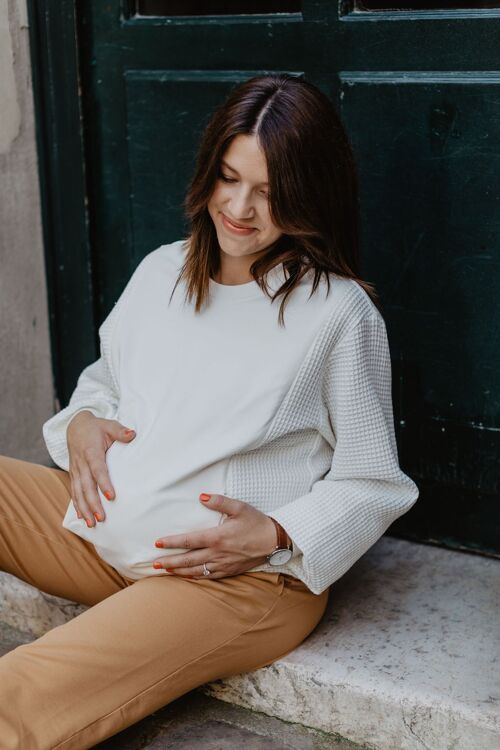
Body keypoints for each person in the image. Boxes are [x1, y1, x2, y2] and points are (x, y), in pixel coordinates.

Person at [0, 73, 419, 748]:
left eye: (271, 192)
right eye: (229, 177)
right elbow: (104, 382)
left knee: (23, 690)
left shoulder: (338, 314)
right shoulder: (163, 269)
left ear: (311, 196)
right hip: (104, 539)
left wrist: (279, 531)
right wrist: (81, 422)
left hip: (234, 585)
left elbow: (373, 481)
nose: (241, 208)